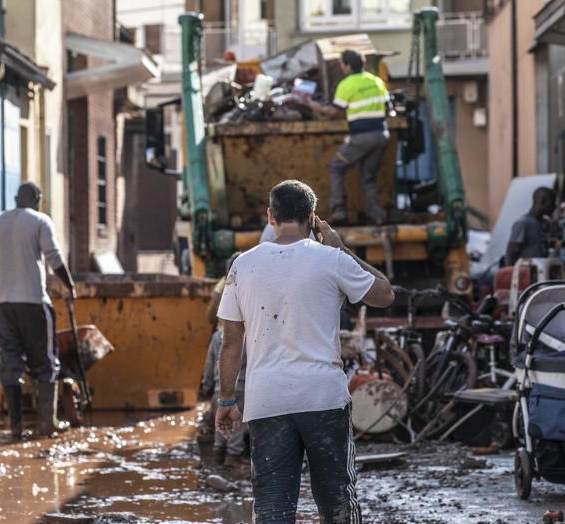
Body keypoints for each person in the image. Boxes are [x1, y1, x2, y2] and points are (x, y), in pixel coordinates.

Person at [215, 180, 394, 522]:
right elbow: (385, 295)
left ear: (271, 217)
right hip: (322, 399)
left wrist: (226, 401)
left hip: (266, 400)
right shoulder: (332, 260)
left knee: (272, 509)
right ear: (312, 218)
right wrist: (342, 250)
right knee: (337, 503)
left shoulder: (242, 265)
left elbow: (231, 339)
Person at [0, 182, 75, 438]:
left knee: (11, 362)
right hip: (34, 304)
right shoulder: (40, 221)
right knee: (45, 363)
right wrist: (69, 285)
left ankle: (16, 428)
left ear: (16, 198)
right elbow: (53, 257)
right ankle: (46, 424)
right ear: (38, 199)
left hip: (5, 306)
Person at [309, 49, 391, 226]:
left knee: (336, 167)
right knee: (367, 176)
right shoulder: (376, 81)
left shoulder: (346, 84)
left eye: (341, 64)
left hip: (361, 138)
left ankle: (338, 210)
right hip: (381, 135)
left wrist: (313, 105)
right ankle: (376, 214)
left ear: (346, 66)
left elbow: (333, 112)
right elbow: (388, 107)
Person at [201, 253, 248, 467]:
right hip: (242, 344)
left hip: (221, 337)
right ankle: (233, 456)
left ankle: (219, 453)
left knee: (223, 410)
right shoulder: (250, 283)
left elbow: (211, 316)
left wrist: (207, 385)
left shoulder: (224, 283)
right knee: (237, 417)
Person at [505, 186, 557, 266]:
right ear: (542, 202)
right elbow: (510, 254)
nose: (554, 207)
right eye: (552, 203)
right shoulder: (523, 224)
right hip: (526, 274)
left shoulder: (544, 223)